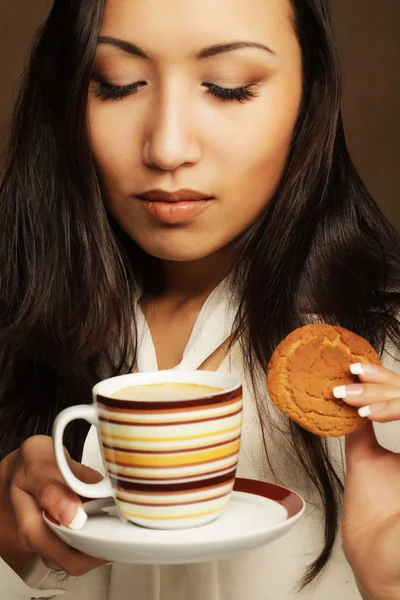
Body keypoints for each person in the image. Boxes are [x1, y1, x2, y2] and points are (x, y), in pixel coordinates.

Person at [0, 0, 399, 598]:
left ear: (312, 97)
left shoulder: (382, 356)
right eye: (117, 85)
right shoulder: (21, 326)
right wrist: (7, 541)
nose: (166, 147)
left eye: (229, 88)